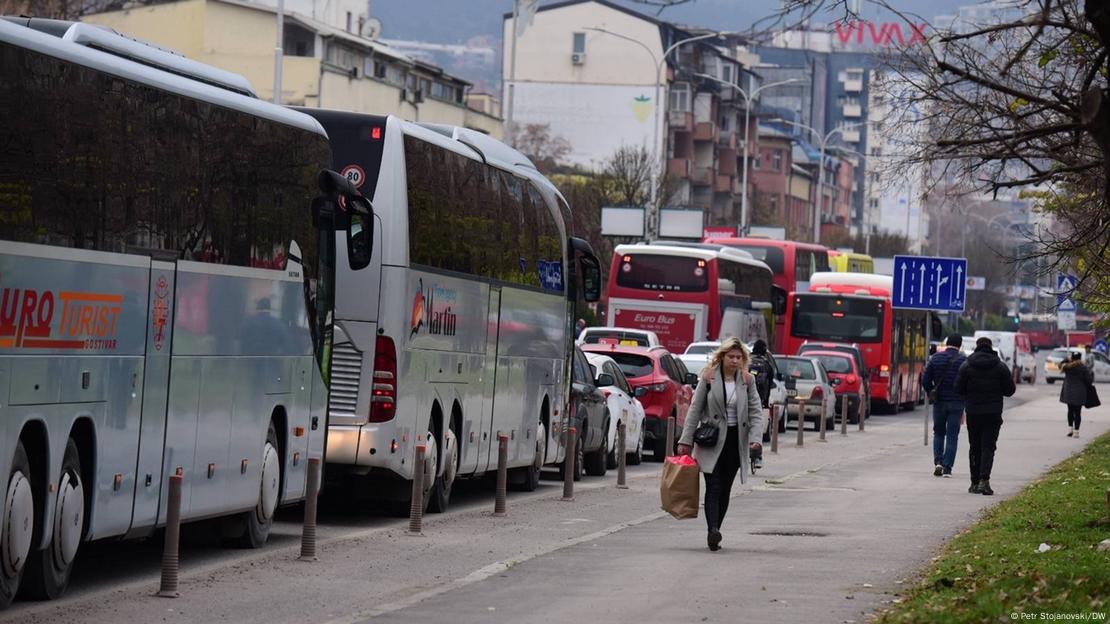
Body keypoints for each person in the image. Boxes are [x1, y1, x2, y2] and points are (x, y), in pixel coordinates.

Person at [676, 337, 766, 551]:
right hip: (711, 439)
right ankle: (712, 530)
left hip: (736, 441)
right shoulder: (708, 378)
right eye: (731, 356)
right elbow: (695, 410)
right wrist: (685, 440)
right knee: (713, 486)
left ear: (743, 360)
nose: (734, 361)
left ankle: (716, 528)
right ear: (722, 356)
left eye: (738, 357)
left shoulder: (747, 381)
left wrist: (755, 439)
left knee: (725, 488)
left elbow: (755, 412)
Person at [955, 337, 1016, 496]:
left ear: (977, 347)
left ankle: (974, 483)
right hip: (993, 413)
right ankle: (984, 481)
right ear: (990, 347)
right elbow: (1010, 390)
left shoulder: (967, 365)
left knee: (974, 446)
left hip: (973, 413)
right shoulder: (1000, 366)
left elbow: (958, 389)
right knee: (988, 447)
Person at [922, 334, 967, 478]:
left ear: (947, 343)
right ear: (960, 345)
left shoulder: (935, 358)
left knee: (939, 432)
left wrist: (931, 392)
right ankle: (947, 468)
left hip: (939, 402)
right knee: (953, 435)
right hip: (957, 403)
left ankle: (938, 463)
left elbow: (925, 380)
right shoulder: (963, 361)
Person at [748, 339, 777, 462]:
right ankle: (757, 456)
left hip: (743, 399)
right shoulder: (767, 364)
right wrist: (765, 401)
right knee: (757, 426)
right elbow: (770, 384)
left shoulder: (746, 361)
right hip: (759, 400)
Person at [1060, 352, 1092, 438]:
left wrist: (1066, 359)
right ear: (1080, 358)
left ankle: (1070, 429)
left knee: (1070, 411)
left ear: (1072, 358)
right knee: (1078, 412)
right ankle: (1076, 432)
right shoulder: (1083, 368)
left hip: (1069, 392)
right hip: (1080, 392)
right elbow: (1089, 380)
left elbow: (1060, 365)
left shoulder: (1067, 367)